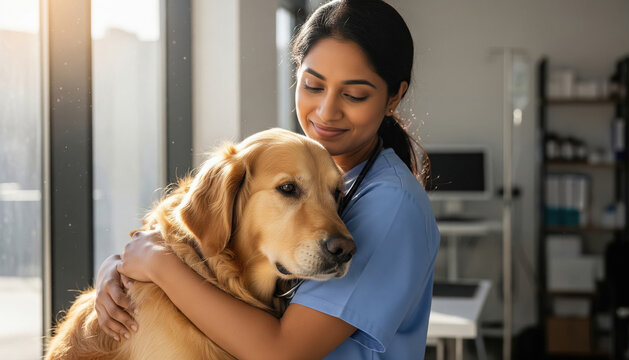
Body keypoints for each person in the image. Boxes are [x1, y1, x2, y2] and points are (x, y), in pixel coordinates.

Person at [94, 0, 441, 358]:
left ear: (393, 97)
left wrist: (158, 265)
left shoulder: (390, 203)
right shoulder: (323, 172)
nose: (326, 111)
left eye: (353, 94)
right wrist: (121, 270)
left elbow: (282, 353)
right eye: (313, 86)